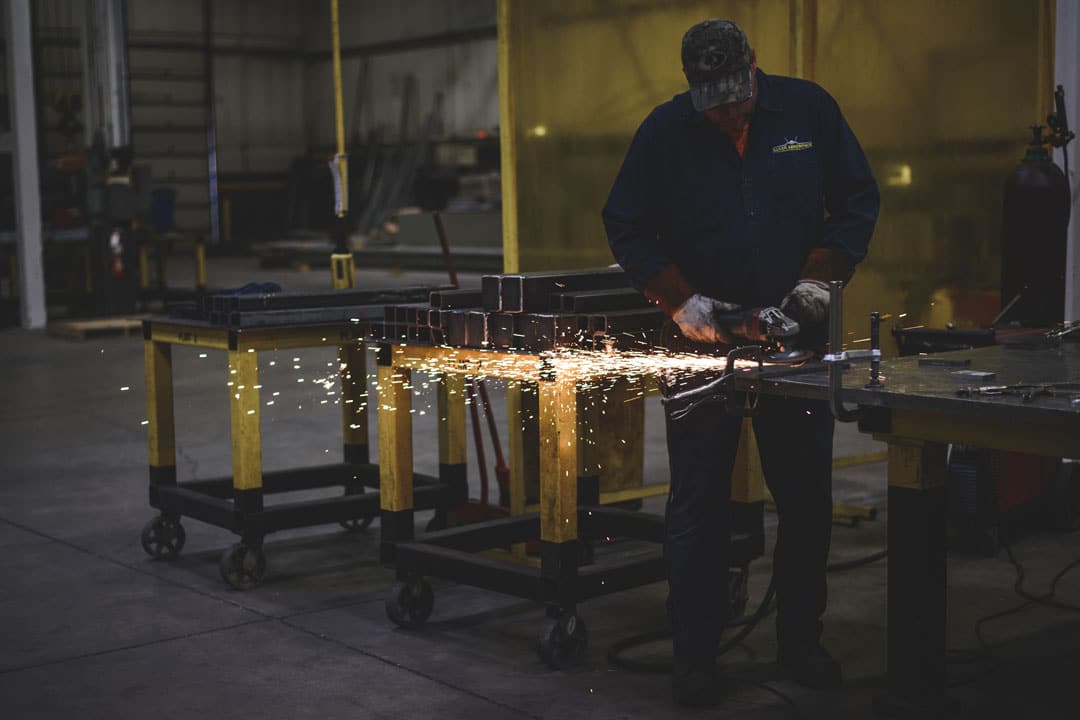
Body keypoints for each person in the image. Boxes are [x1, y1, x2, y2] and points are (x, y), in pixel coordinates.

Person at [602, 19, 879, 707]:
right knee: (696, 505)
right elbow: (626, 221)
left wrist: (819, 282)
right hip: (701, 347)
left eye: (736, 98)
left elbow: (855, 201)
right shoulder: (665, 132)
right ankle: (695, 656)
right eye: (714, 103)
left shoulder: (808, 109)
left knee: (807, 500)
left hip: (795, 345)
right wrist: (677, 300)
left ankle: (799, 639)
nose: (729, 114)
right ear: (693, 88)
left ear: (753, 67)